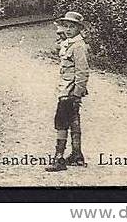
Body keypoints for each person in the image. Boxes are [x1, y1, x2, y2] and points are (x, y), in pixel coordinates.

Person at [45, 11, 90, 172]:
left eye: (72, 27)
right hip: (66, 88)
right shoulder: (70, 42)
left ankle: (59, 158)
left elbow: (82, 72)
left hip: (70, 91)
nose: (69, 29)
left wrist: (77, 93)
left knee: (61, 122)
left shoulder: (78, 46)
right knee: (73, 120)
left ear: (79, 28)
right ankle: (77, 156)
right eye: (67, 26)